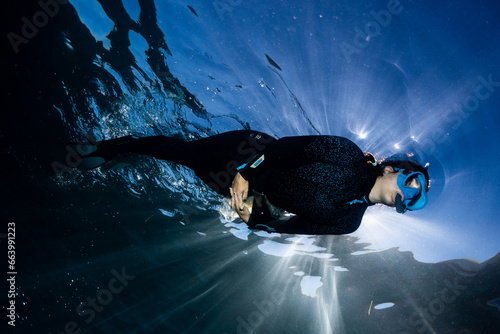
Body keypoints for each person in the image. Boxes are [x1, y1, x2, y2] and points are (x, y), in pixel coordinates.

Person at [71, 130, 430, 234]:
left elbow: (287, 228)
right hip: (252, 152)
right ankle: (117, 146)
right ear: (391, 169)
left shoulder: (348, 223)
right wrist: (247, 170)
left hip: (255, 195)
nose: (410, 195)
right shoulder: (347, 152)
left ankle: (134, 149)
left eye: (418, 200)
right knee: (187, 154)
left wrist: (254, 221)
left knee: (189, 161)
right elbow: (287, 146)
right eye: (414, 181)